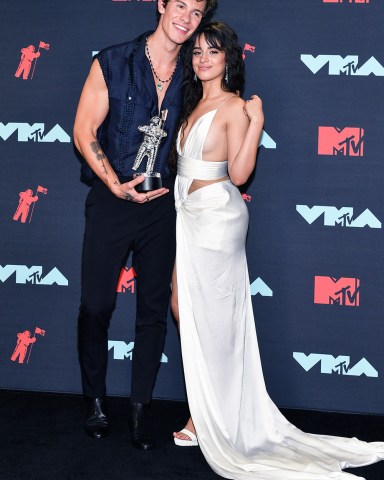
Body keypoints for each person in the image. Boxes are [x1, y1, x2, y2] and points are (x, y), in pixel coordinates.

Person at [171, 21, 384, 478]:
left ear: (230, 58)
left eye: (213, 51)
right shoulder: (192, 103)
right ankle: (206, 407)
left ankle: (209, 417)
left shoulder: (233, 107)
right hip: (187, 217)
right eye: (197, 52)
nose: (203, 58)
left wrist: (258, 123)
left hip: (215, 218)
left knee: (216, 318)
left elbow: (241, 174)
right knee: (185, 306)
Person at [73, 0, 217, 449]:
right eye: (180, 6)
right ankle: (96, 400)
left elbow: (221, 107)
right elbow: (83, 130)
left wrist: (249, 114)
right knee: (96, 306)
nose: (186, 18)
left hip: (162, 208)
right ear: (161, 4)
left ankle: (140, 408)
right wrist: (116, 185)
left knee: (153, 312)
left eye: (196, 12)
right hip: (111, 201)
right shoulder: (112, 62)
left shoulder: (195, 72)